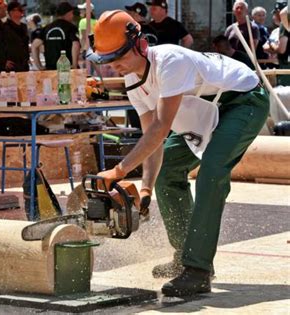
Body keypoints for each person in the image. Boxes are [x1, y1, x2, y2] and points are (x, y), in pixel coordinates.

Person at [87, 10, 268, 297]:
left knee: (211, 173)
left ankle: (198, 270)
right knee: (167, 170)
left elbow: (160, 128)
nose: (114, 66)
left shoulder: (169, 61)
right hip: (206, 111)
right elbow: (153, 141)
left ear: (140, 45)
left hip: (242, 102)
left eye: (118, 57)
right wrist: (146, 188)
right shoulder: (134, 81)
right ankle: (185, 255)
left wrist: (119, 171)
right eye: (108, 60)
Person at [32, 2, 80, 70]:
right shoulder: (70, 27)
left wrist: (39, 66)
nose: (72, 16)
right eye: (72, 13)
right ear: (68, 13)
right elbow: (76, 44)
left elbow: (34, 45)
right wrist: (74, 65)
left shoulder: (47, 28)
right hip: (66, 69)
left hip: (50, 70)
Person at [265, 2, 290, 86]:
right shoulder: (278, 29)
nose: (274, 16)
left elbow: (281, 49)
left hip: (286, 65)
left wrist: (271, 45)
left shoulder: (284, 25)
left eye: (276, 13)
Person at [4, 1, 29, 72]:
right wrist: (3, 61)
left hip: (24, 64)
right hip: (11, 65)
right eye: (18, 9)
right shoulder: (4, 27)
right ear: (11, 12)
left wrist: (27, 58)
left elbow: (25, 43)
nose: (21, 12)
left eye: (21, 9)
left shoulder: (24, 27)